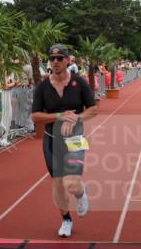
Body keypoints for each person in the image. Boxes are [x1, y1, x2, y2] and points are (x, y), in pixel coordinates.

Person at [31, 45, 98, 238]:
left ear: (68, 60)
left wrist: (76, 118)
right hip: (52, 141)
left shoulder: (79, 83)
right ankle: (66, 219)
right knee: (58, 183)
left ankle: (80, 192)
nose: (55, 62)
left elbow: (93, 110)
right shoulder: (43, 87)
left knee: (72, 184)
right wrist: (60, 116)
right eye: (52, 58)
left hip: (75, 138)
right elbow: (36, 117)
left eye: (60, 58)